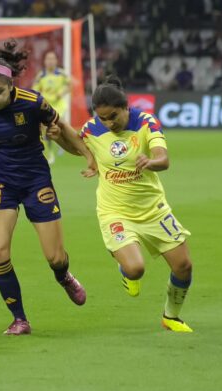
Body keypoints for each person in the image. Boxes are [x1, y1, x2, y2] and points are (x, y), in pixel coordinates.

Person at [0, 40, 93, 336]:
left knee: (55, 257)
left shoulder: (33, 102)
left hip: (36, 180)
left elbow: (60, 129)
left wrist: (87, 155)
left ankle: (63, 276)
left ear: (11, 86)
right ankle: (19, 318)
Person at [48, 76, 195, 333]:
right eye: (103, 118)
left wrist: (151, 162)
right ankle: (125, 268)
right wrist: (59, 137)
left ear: (126, 107)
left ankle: (171, 316)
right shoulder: (93, 128)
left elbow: (163, 158)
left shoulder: (146, 123)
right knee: (136, 269)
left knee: (184, 266)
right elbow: (79, 148)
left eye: (113, 116)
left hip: (152, 210)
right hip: (114, 211)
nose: (109, 123)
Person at [32, 50, 71, 164]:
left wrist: (62, 93)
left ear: (56, 61)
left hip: (59, 106)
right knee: (45, 129)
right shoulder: (41, 75)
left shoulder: (62, 74)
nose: (50, 61)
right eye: (48, 59)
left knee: (59, 125)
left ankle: (63, 144)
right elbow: (35, 89)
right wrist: (40, 96)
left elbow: (69, 85)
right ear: (44, 61)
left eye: (52, 59)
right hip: (46, 106)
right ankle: (50, 153)